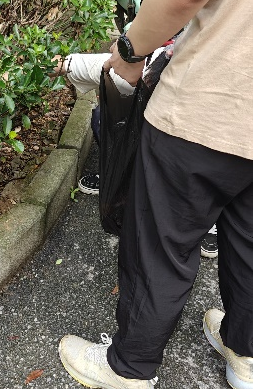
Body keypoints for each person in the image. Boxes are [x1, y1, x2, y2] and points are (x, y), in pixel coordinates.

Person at [59, 0, 253, 389]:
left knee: (162, 244)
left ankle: (129, 370)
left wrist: (129, 53)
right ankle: (245, 353)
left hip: (216, 99)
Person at [55, 46, 218, 259]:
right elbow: (81, 65)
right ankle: (118, 176)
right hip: (156, 124)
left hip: (205, 140)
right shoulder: (150, 67)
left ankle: (207, 218)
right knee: (103, 116)